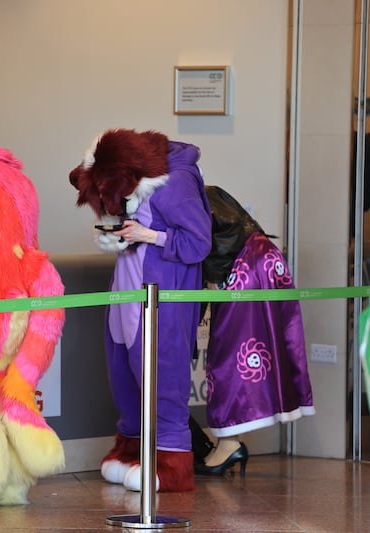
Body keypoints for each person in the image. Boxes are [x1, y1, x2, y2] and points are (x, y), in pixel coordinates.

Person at [69, 128, 212, 492]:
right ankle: (131, 449)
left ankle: (171, 463)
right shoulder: (116, 178)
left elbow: (198, 243)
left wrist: (149, 236)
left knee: (162, 375)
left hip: (161, 298)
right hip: (126, 292)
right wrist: (118, 235)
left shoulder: (175, 183)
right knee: (123, 374)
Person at [195, 185, 315, 476]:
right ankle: (230, 441)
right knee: (268, 344)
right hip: (264, 262)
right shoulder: (202, 190)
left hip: (245, 269)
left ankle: (229, 444)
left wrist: (212, 275)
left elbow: (206, 241)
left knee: (227, 354)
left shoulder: (188, 195)